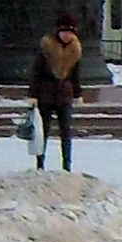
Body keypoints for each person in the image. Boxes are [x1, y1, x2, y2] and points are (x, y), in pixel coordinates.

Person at [29, 15, 84, 172]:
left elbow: (76, 75)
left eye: (70, 32)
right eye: (64, 31)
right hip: (45, 94)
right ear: (58, 31)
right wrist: (32, 95)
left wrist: (77, 93)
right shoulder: (46, 49)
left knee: (66, 132)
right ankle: (40, 163)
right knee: (43, 132)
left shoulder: (75, 50)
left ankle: (67, 165)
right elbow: (36, 73)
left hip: (64, 95)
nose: (67, 35)